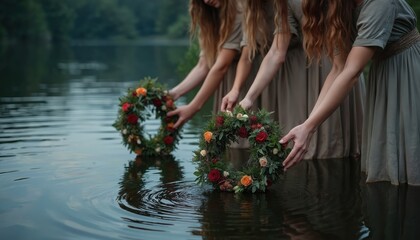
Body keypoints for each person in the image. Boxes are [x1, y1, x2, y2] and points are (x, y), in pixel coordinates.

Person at [281, 0, 420, 186]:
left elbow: (352, 72)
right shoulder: (339, 7)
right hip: (383, 74)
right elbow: (338, 68)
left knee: (410, 151)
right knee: (387, 158)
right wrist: (308, 124)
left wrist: (309, 127)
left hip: (408, 72)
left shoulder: (379, 3)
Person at [231, 0, 365, 160]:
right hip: (315, 61)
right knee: (309, 142)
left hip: (338, 65)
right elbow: (276, 52)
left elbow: (342, 63)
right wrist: (248, 98)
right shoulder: (283, 3)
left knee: (334, 143)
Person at [167, 0, 247, 129]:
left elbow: (221, 66)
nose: (206, 1)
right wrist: (173, 94)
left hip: (247, 79)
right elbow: (203, 65)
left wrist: (194, 107)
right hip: (227, 83)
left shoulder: (238, 10)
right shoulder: (211, 16)